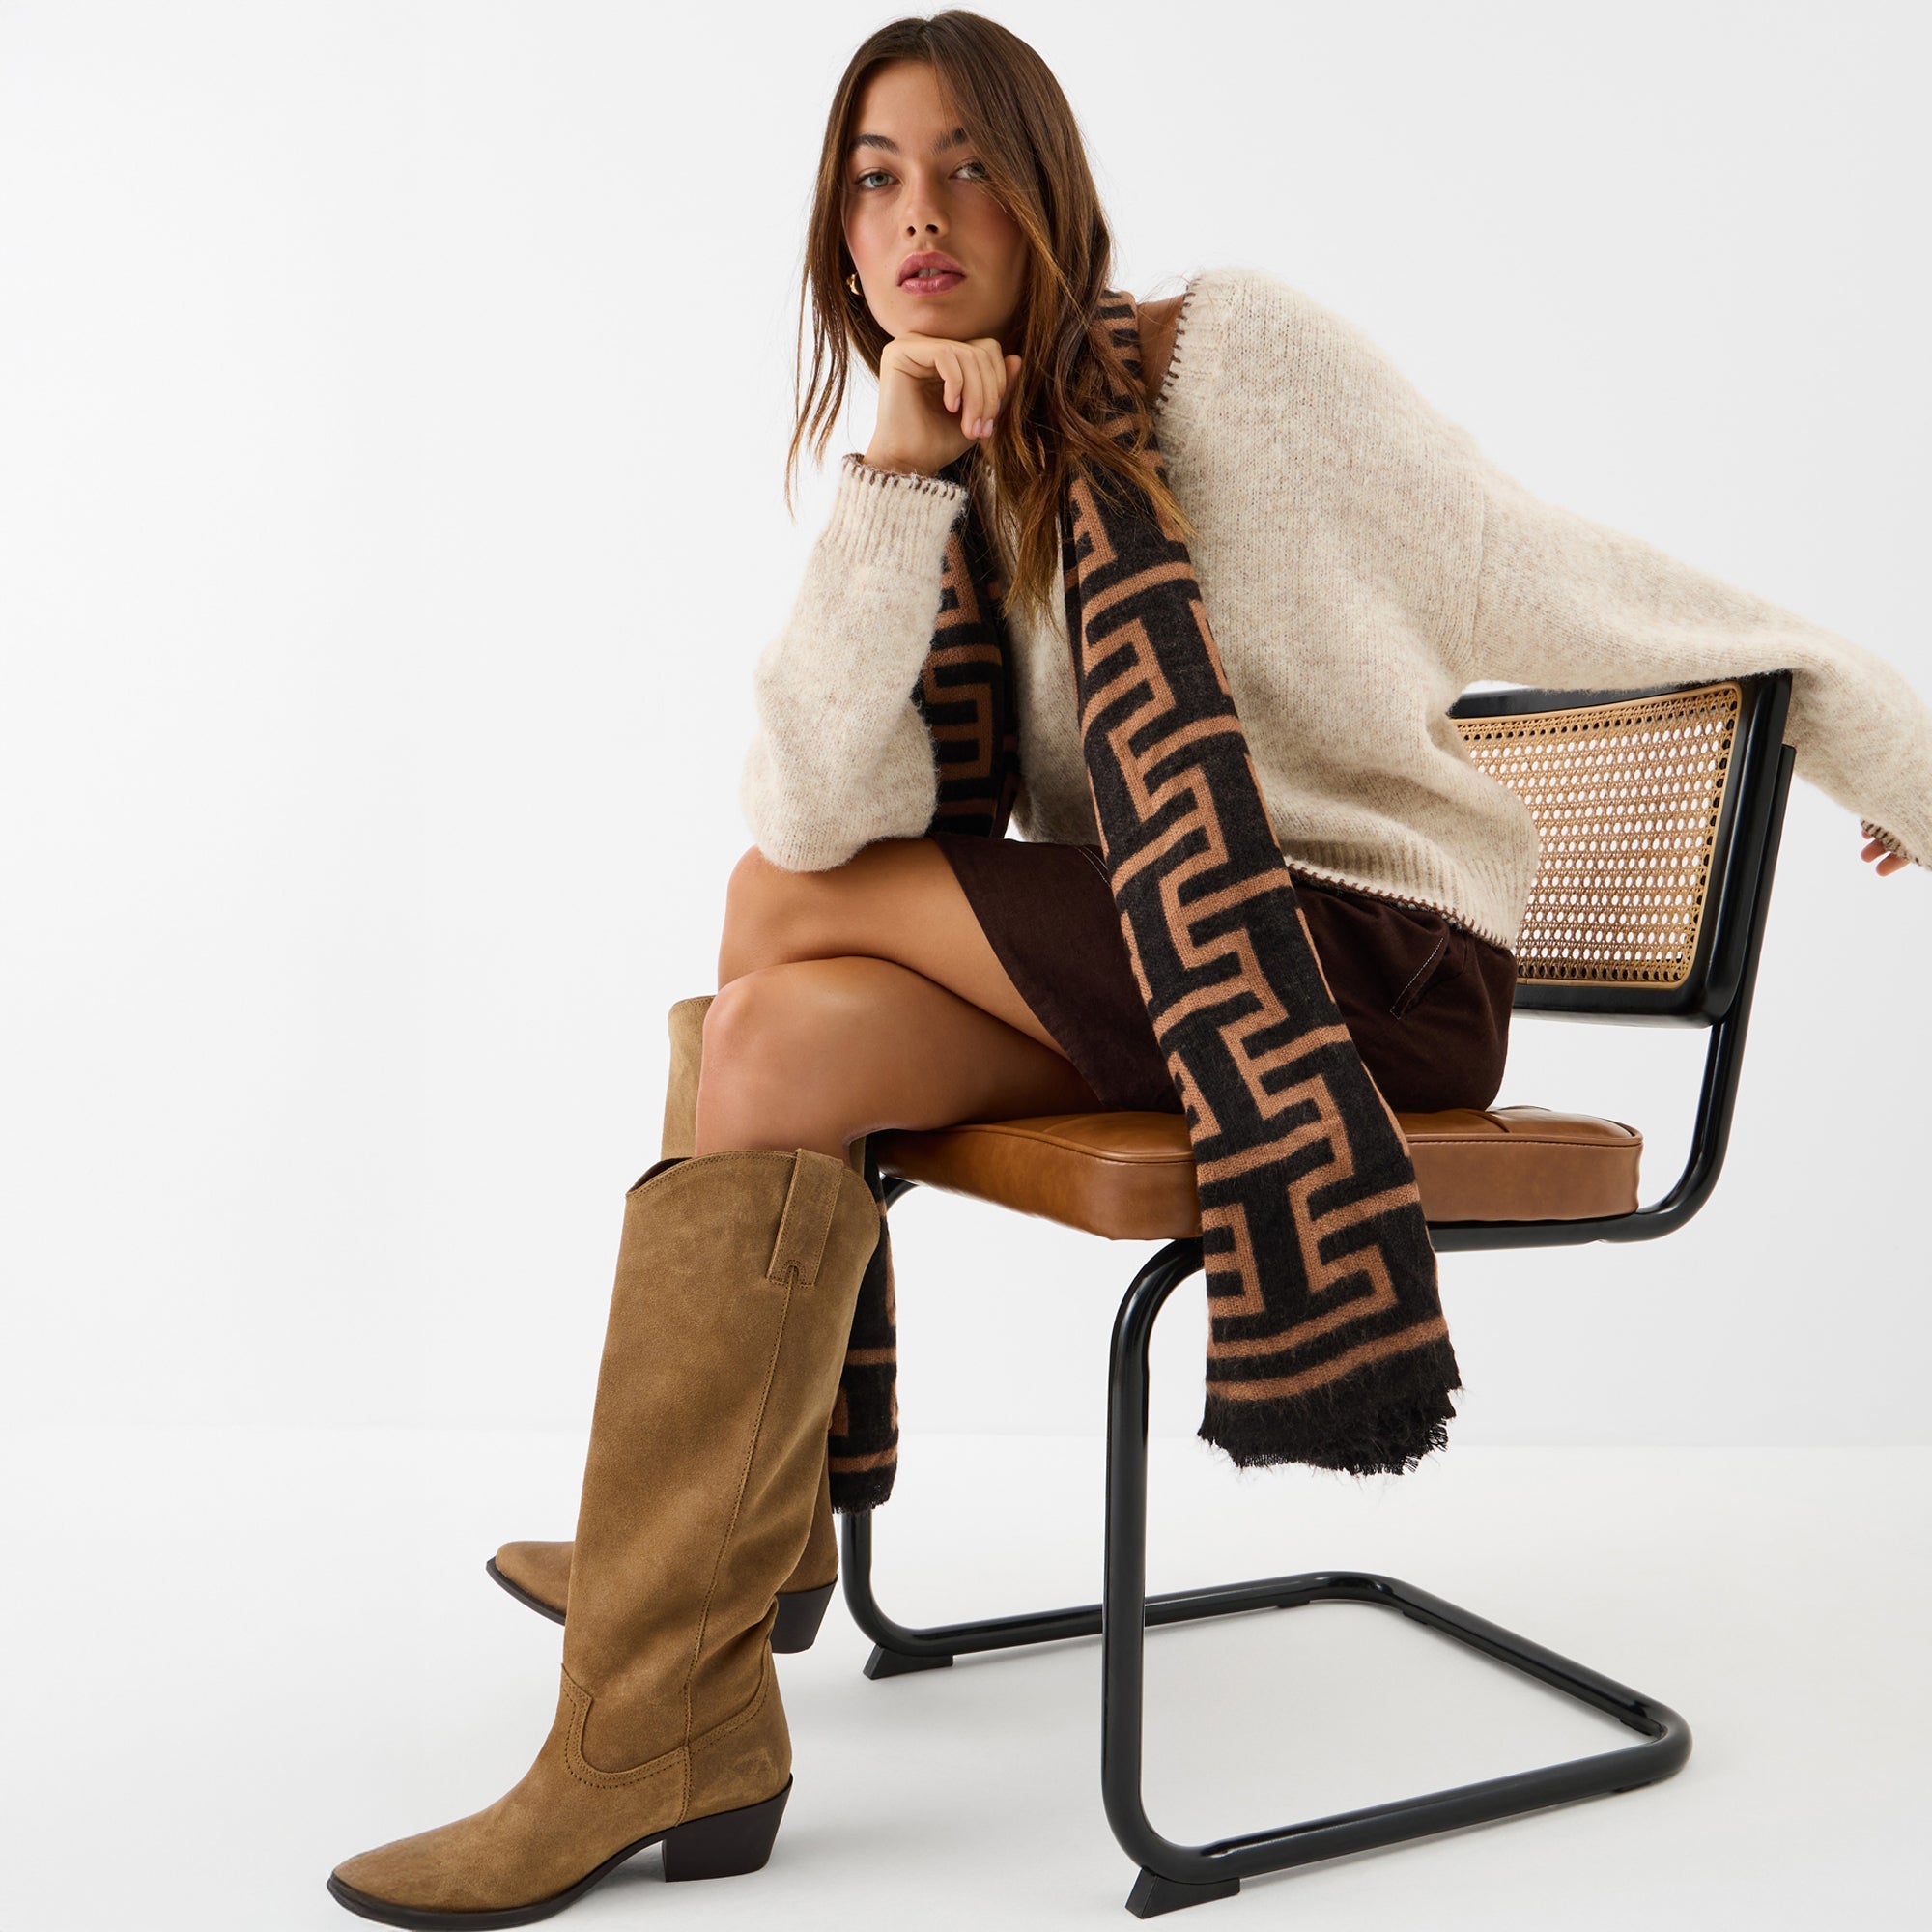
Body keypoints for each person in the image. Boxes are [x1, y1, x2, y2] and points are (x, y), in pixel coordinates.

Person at [326, 12, 1928, 1925]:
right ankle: (680, 1683)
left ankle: (711, 1582)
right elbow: (830, 795)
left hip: (1365, 962)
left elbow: (1539, 561)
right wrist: (896, 474)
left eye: (966, 168)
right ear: (837, 237)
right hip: (1170, 943)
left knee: (767, 912)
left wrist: (1890, 742)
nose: (921, 215)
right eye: (873, 180)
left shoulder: (1235, 362)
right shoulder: (971, 464)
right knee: (771, 1037)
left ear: (1047, 192)